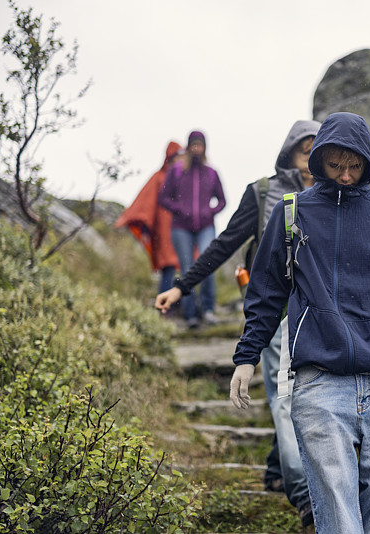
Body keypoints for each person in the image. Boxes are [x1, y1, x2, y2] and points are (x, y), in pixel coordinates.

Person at [229, 112, 370, 533]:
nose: (344, 175)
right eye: (335, 165)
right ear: (317, 161)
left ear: (367, 162)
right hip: (318, 380)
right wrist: (246, 358)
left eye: (354, 166)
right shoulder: (291, 214)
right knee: (336, 500)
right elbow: (266, 293)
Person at [155, 120, 321, 527]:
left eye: (321, 153)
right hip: (274, 314)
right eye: (306, 151)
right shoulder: (263, 192)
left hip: (320, 318)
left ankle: (277, 469)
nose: (314, 161)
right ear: (289, 152)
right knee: (286, 398)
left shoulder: (336, 193)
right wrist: (181, 288)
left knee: (307, 398)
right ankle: (305, 497)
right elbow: (225, 243)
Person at [158, 130, 226, 328]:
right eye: (194, 144)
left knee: (208, 265)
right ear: (188, 147)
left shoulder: (211, 173)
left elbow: (222, 200)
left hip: (205, 226)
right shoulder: (177, 171)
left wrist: (210, 212)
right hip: (181, 227)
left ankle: (208, 309)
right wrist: (179, 209)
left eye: (200, 145)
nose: (197, 148)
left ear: (205, 147)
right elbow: (163, 198)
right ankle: (190, 315)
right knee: (187, 269)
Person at [115, 141, 183, 298]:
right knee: (168, 266)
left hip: (179, 229)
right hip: (163, 230)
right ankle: (165, 305)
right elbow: (146, 204)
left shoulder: (181, 178)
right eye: (178, 156)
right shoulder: (159, 178)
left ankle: (181, 306)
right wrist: (145, 228)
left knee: (181, 266)